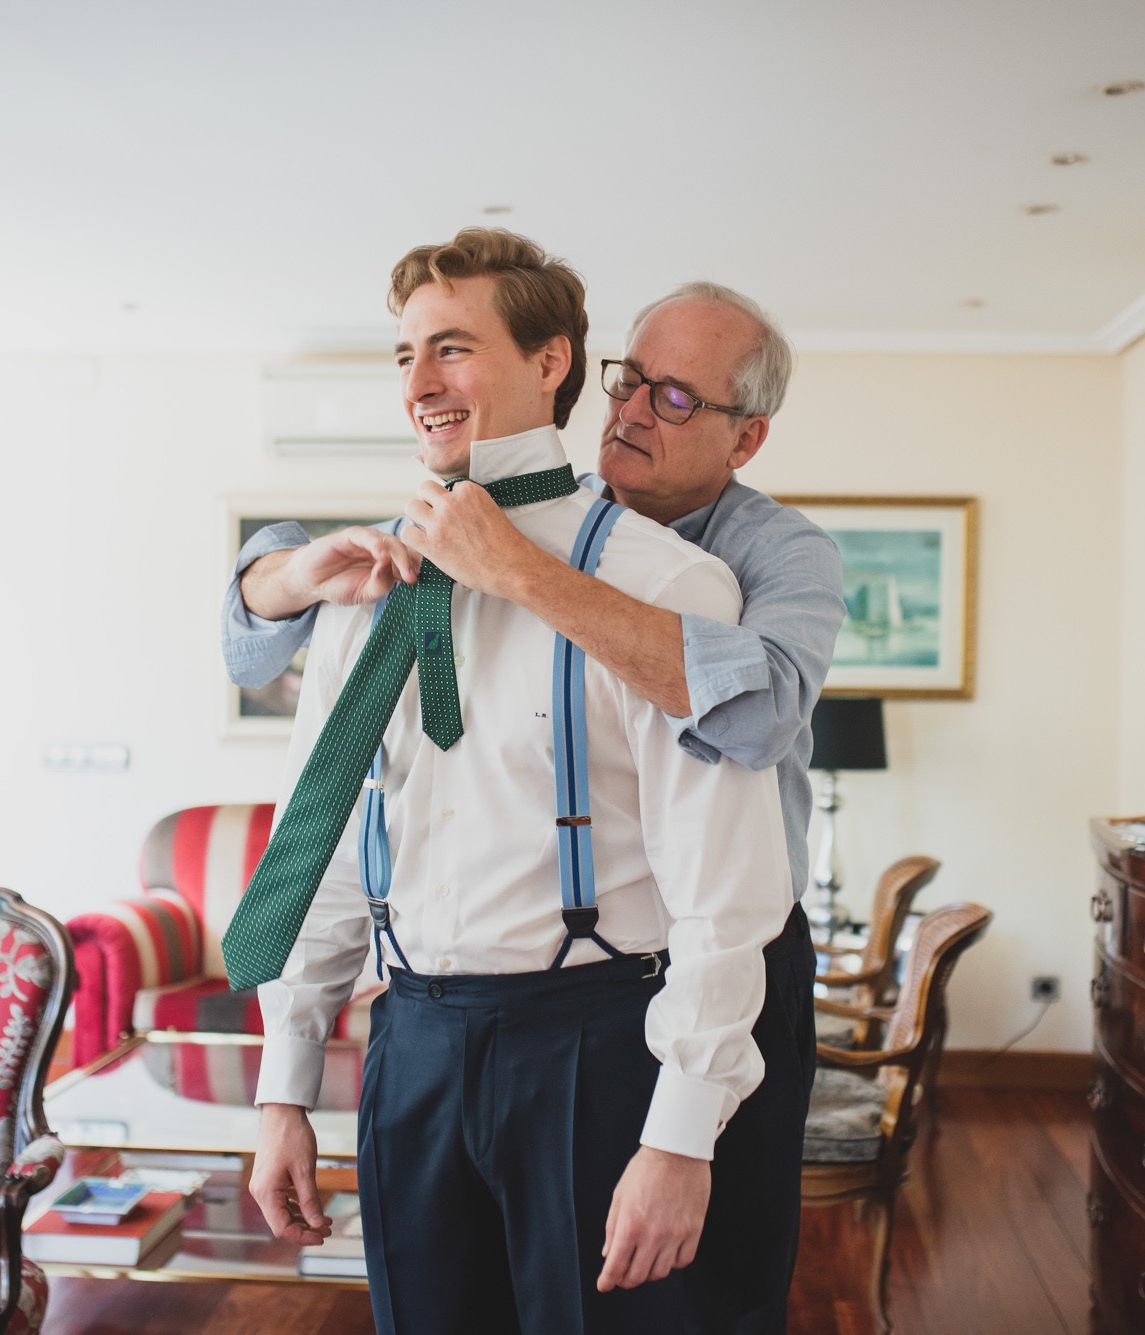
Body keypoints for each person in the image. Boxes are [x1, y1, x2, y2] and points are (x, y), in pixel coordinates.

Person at [226, 278, 845, 1335]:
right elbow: (326, 832)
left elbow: (746, 744)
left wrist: (681, 1135)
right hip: (411, 1036)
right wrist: (284, 1086)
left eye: (453, 349)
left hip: (618, 1024)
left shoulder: (708, 577)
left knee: (708, 1291)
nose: (637, 411)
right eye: (634, 383)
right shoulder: (372, 578)